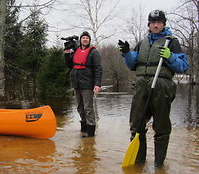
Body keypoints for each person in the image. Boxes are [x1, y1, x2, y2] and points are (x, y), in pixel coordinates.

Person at [118, 10, 189, 168]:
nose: (156, 25)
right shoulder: (143, 42)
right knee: (136, 126)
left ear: (164, 24)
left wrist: (171, 56)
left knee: (161, 127)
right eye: (153, 22)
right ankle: (139, 163)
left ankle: (158, 165)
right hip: (141, 86)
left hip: (162, 86)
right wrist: (126, 53)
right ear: (149, 25)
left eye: (159, 22)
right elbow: (132, 64)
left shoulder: (171, 42)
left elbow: (184, 66)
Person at [64, 31, 102, 137]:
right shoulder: (76, 51)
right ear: (80, 40)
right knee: (80, 107)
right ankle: (83, 130)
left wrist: (97, 84)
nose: (85, 39)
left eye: (87, 38)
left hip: (88, 84)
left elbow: (98, 69)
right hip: (77, 84)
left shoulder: (93, 52)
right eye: (83, 38)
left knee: (88, 108)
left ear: (89, 40)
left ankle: (91, 134)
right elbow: (69, 65)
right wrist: (67, 53)